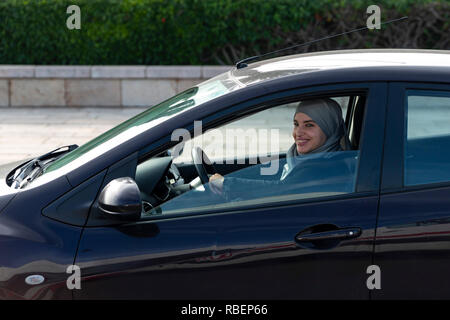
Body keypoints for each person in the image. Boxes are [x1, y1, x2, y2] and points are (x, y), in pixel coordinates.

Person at [208, 97, 351, 195]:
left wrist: (225, 183)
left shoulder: (326, 167)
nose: (298, 133)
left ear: (329, 128)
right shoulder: (306, 157)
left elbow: (280, 189)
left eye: (309, 125)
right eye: (296, 124)